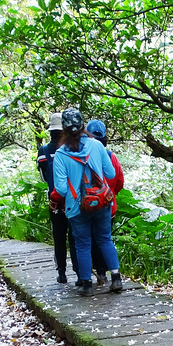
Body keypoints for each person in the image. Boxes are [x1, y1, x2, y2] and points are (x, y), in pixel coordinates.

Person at [52, 108, 123, 297]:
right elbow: (111, 174)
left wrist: (75, 192)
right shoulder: (97, 146)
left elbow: (60, 189)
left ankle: (86, 284)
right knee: (105, 238)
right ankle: (116, 278)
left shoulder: (60, 155)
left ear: (63, 130)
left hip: (77, 207)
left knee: (82, 244)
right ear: (83, 125)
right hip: (101, 203)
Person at [38, 112, 78, 283]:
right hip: (74, 199)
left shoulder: (43, 151)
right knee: (75, 237)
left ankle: (61, 273)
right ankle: (79, 273)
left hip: (55, 202)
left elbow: (43, 178)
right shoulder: (72, 148)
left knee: (59, 237)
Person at [86, 119, 125, 286]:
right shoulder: (111, 156)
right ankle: (112, 274)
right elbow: (119, 180)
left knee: (90, 240)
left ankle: (98, 273)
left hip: (86, 204)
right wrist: (110, 194)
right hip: (108, 205)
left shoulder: (82, 153)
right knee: (105, 238)